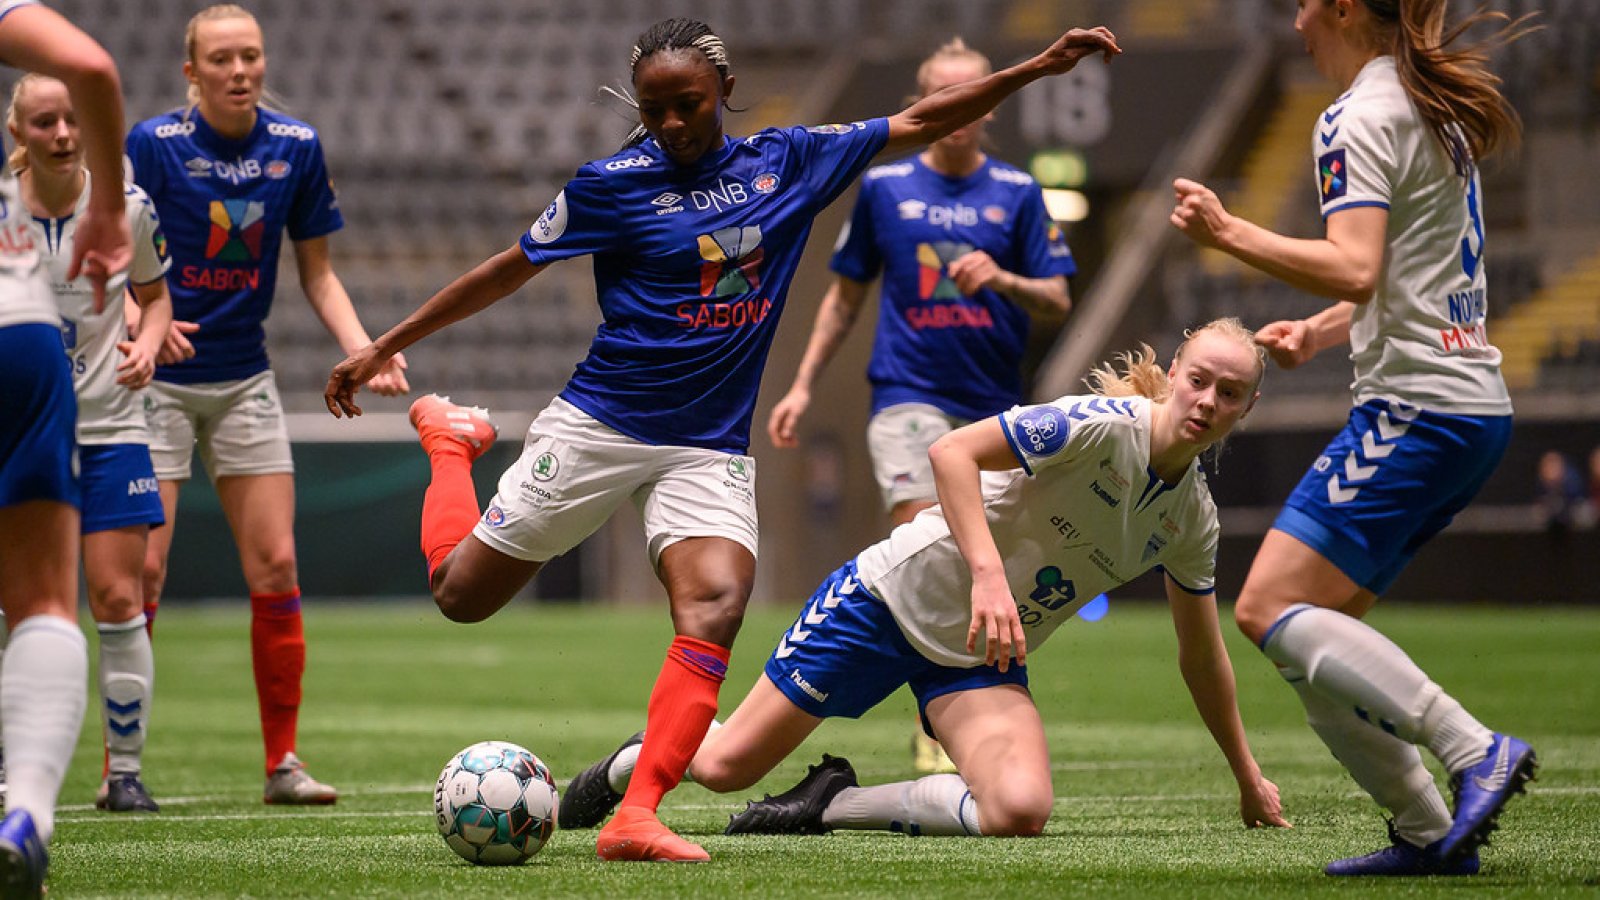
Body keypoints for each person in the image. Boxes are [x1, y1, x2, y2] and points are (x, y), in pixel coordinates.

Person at [324, 17, 1122, 862]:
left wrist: (1037, 66)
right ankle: (450, 446)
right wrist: (388, 343)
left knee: (715, 604)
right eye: (655, 108)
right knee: (461, 594)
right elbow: (508, 266)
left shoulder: (791, 161)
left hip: (708, 442)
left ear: (726, 93)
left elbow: (921, 120)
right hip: (604, 424)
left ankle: (637, 815)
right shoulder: (609, 184)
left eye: (688, 105)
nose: (671, 124)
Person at [561, 321, 1287, 848]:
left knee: (1019, 810)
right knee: (722, 767)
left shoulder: (1193, 520)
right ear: (1177, 371)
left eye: (1230, 393)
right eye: (1198, 380)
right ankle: (632, 763)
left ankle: (832, 804)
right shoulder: (1100, 426)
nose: (1206, 402)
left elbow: (1202, 656)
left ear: (1245, 411)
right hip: (887, 602)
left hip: (975, 656)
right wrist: (988, 578)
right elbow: (951, 453)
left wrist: (1247, 776)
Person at [1169, 0, 1536, 878]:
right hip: (1468, 407)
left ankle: (1471, 747)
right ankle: (1423, 833)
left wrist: (1228, 233)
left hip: (1416, 410)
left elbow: (1358, 264)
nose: (1293, 22)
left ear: (1340, 8)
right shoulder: (1426, 104)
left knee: (1262, 609)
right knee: (1317, 639)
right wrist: (1325, 332)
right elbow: (1414, 267)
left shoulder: (1359, 114)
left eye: (1302, 5)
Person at [764, 38, 1077, 775]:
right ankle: (933, 731)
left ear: (988, 105)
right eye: (942, 95)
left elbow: (1058, 297)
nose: (956, 111)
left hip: (992, 408)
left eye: (971, 96)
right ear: (922, 102)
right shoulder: (883, 189)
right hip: (905, 394)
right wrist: (805, 383)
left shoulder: (1019, 193)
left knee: (976, 561)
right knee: (922, 538)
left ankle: (954, 715)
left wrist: (1003, 278)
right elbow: (844, 296)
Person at [125, 3, 409, 805]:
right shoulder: (152, 144)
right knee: (144, 569)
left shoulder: (297, 148)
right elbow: (109, 251)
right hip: (160, 384)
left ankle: (283, 763)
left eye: (250, 56)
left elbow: (317, 272)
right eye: (221, 59)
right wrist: (135, 322)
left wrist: (367, 349)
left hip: (245, 380)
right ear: (192, 73)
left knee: (278, 564)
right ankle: (123, 764)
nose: (240, 70)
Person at [8, 73, 172, 814]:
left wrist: (149, 341)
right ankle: (15, 771)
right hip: (19, 426)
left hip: (110, 426)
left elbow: (157, 294)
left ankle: (126, 773)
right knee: (19, 606)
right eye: (45, 122)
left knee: (117, 597)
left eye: (73, 118)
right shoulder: (3, 215)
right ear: (20, 134)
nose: (65, 133)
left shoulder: (129, 208)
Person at [0, 1, 131, 895]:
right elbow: (92, 68)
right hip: (16, 320)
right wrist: (111, 211)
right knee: (46, 596)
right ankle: (28, 818)